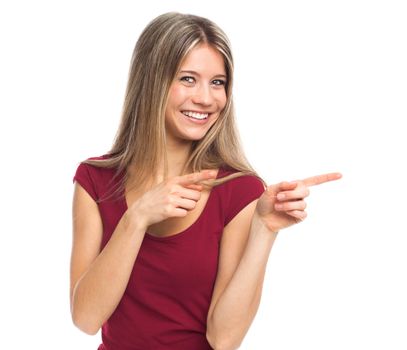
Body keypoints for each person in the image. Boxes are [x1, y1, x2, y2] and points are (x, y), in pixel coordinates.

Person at [70, 12, 341, 350]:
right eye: (187, 79)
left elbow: (224, 338)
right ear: (151, 81)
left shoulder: (239, 190)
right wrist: (136, 218)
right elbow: (85, 318)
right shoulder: (96, 180)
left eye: (217, 82)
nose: (206, 98)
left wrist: (264, 229)